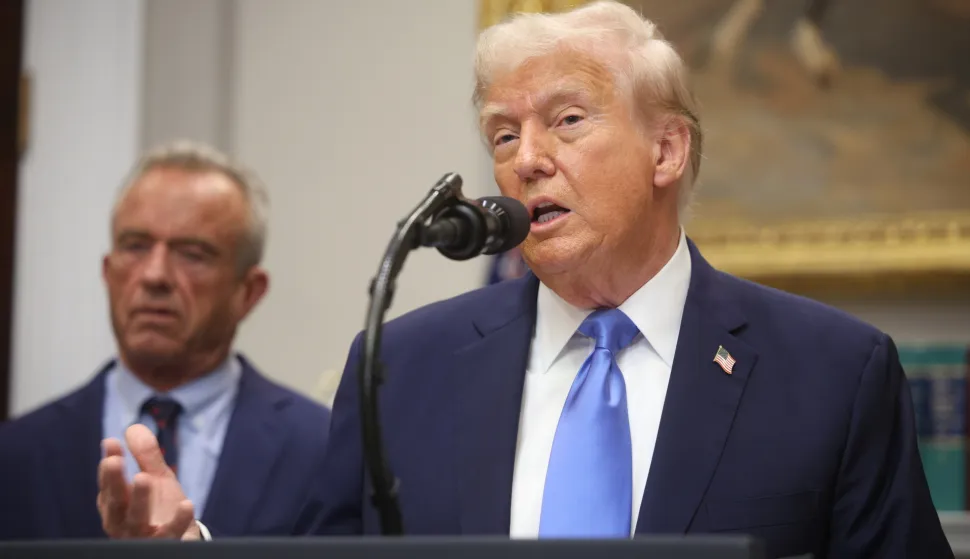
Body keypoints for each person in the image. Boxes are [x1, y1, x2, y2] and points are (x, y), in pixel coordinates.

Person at [95, 3, 952, 557]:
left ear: (667, 149)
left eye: (566, 121)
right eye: (504, 136)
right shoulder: (402, 368)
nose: (527, 159)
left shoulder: (834, 372)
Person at [0, 140, 332, 540]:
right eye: (135, 246)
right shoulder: (16, 453)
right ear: (108, 273)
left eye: (192, 254)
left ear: (249, 292)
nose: (155, 275)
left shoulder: (322, 450)